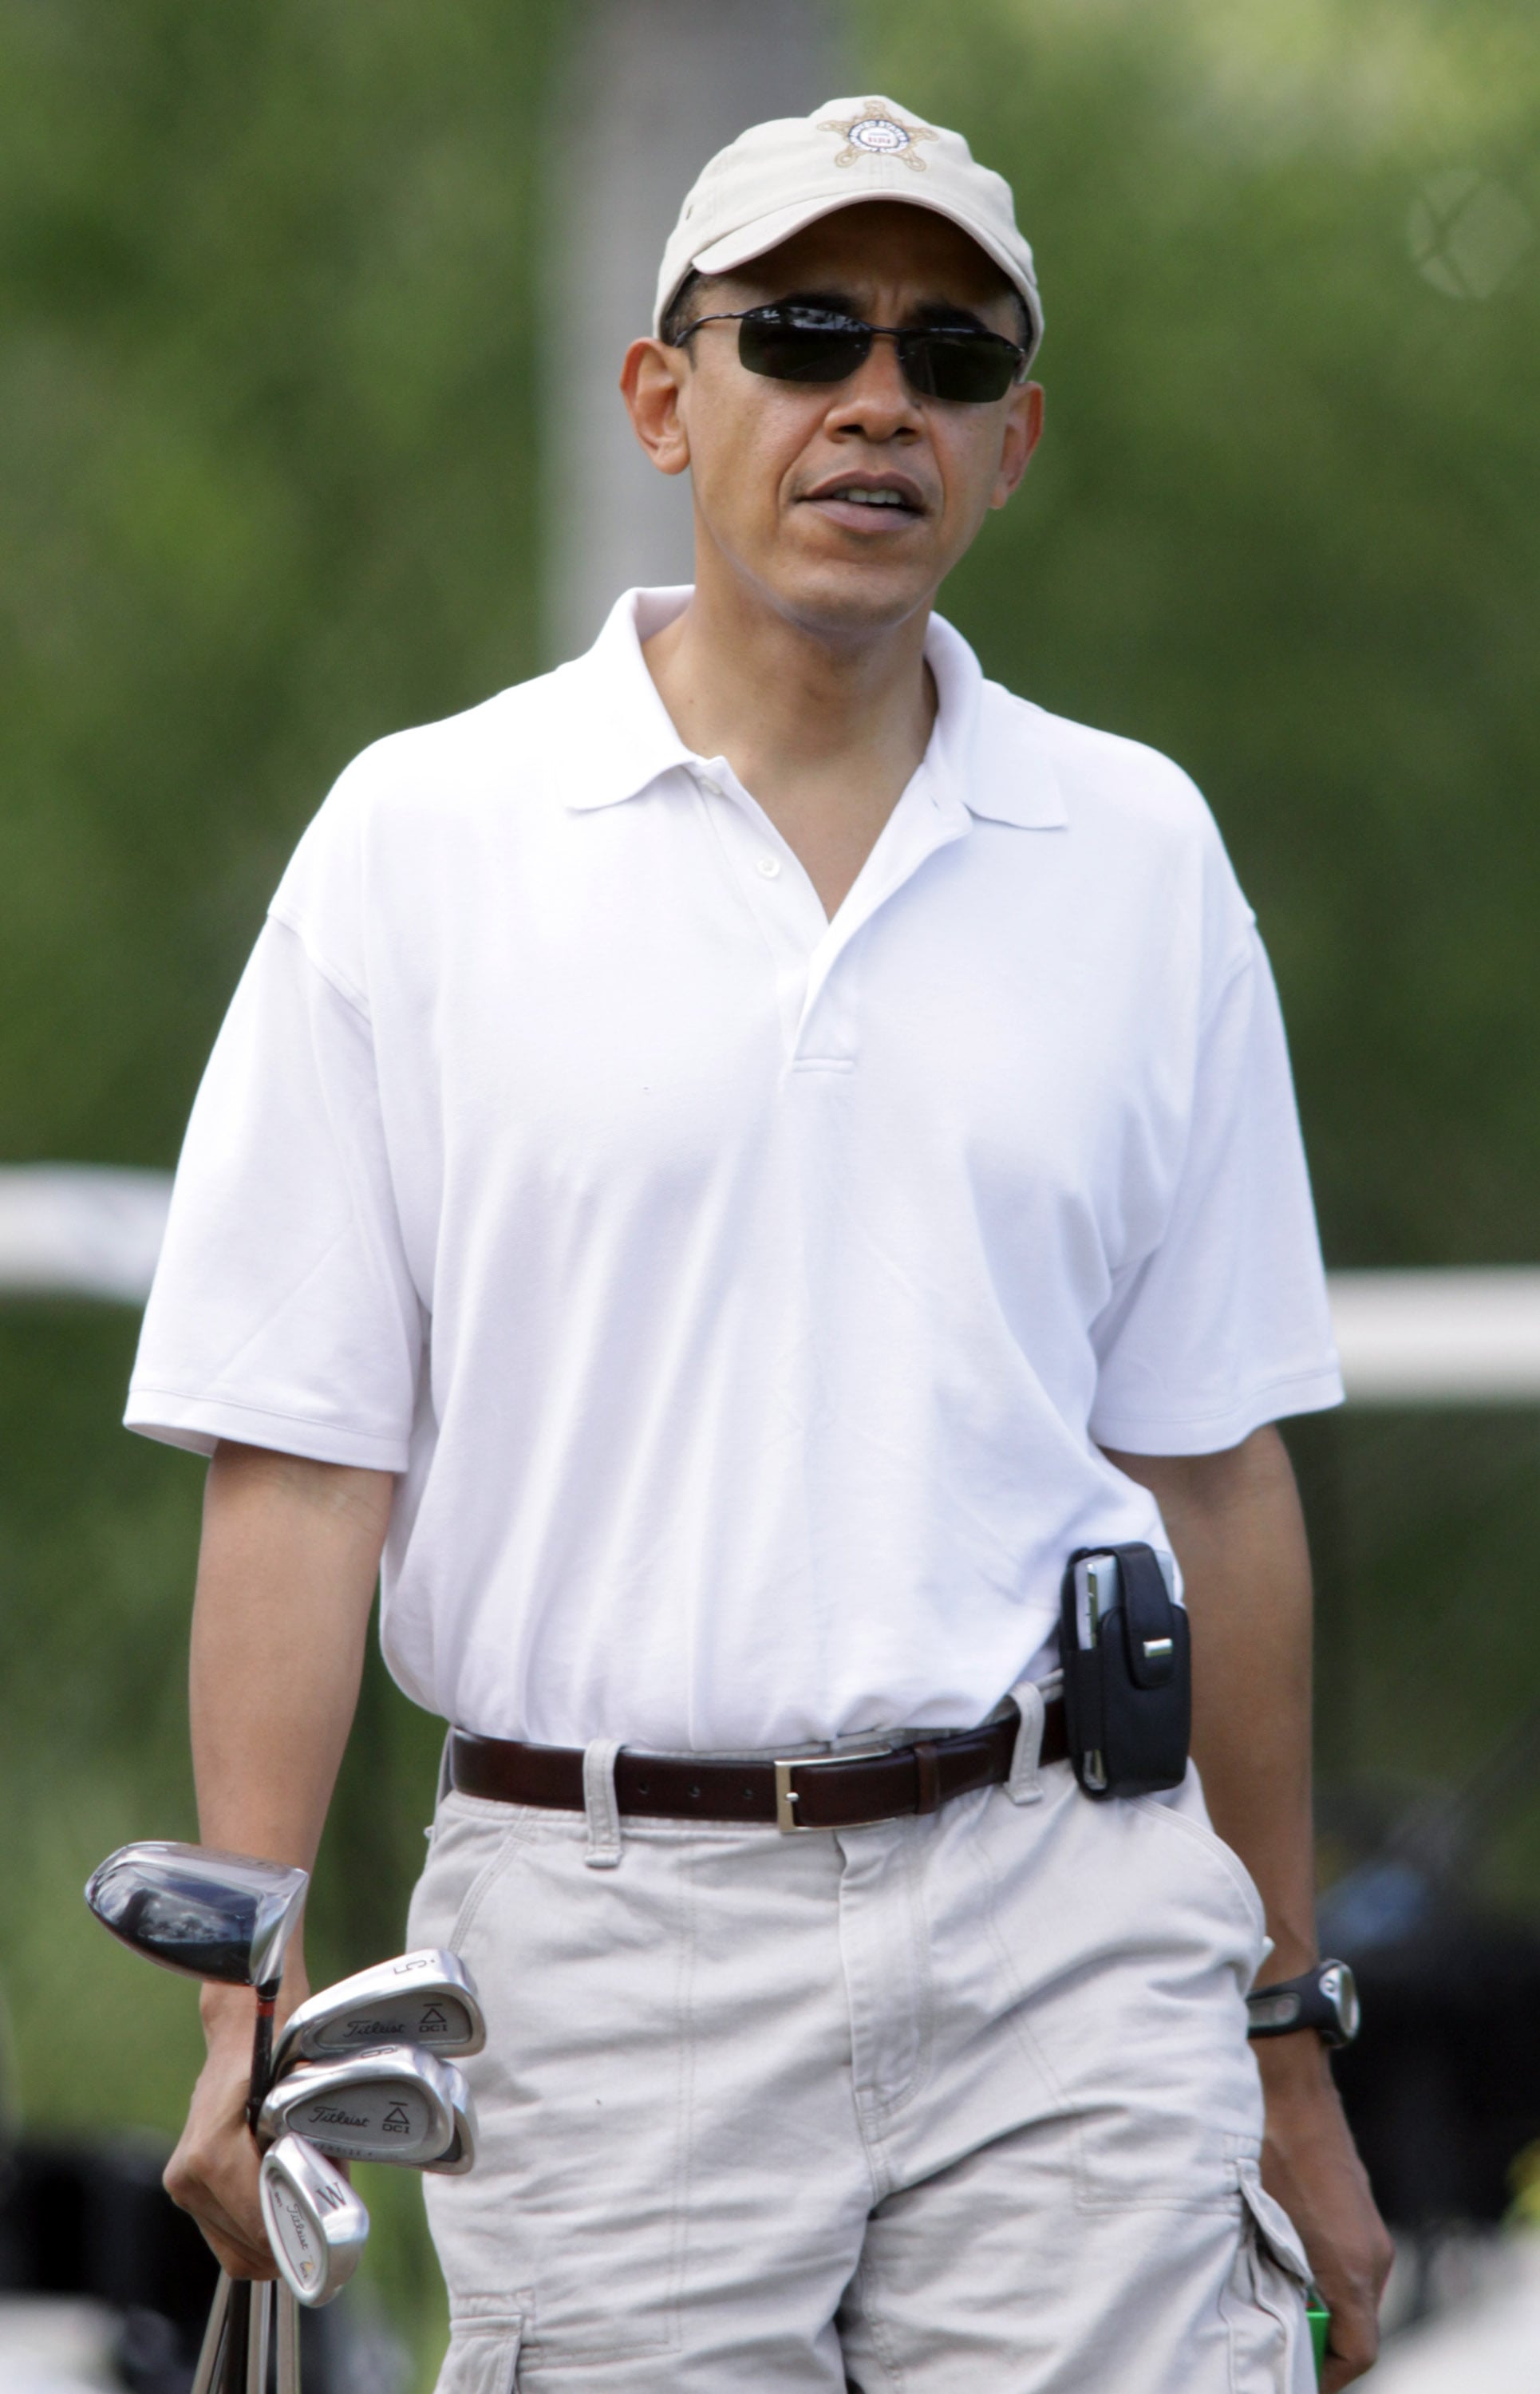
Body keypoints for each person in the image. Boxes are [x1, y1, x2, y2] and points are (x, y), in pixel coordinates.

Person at [132, 96, 1392, 2392]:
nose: (875, 400)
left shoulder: (1132, 851)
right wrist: (252, 1995)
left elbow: (1218, 1483)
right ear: (662, 398)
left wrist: (1283, 2034)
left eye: (949, 352)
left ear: (1013, 443)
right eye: (803, 334)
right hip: (599, 1962)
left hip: (1066, 1922)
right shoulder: (427, 841)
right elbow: (302, 1466)